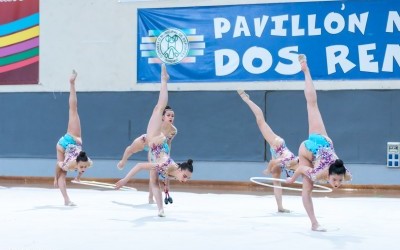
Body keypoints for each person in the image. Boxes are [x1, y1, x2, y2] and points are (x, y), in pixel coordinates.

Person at [115, 64, 193, 217]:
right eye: (185, 176)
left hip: (157, 145)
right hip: (153, 139)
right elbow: (139, 165)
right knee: (158, 108)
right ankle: (164, 80)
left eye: (187, 178)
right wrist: (125, 180)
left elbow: (166, 174)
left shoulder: (173, 169)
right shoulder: (167, 165)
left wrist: (165, 193)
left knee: (154, 182)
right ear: (181, 170)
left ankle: (160, 209)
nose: (185, 180)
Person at [286, 54, 351, 231]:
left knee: (313, 105)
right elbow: (301, 169)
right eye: (336, 180)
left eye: (338, 181)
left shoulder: (344, 172)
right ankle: (305, 70)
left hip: (324, 143)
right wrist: (292, 179)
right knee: (307, 189)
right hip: (308, 148)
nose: (337, 183)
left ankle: (305, 70)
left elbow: (343, 174)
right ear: (328, 175)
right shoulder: (317, 173)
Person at [237, 90, 298, 213]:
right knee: (260, 121)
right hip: (277, 144)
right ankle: (247, 99)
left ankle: (280, 207)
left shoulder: (296, 167)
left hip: (276, 153)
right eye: (294, 170)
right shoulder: (290, 159)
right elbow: (272, 162)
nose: (293, 172)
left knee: (276, 180)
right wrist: (268, 170)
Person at [117, 106, 177, 204]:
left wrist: (167, 156)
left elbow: (168, 143)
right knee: (130, 150)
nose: (171, 117)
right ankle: (123, 161)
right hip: (145, 142)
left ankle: (150, 197)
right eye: (168, 115)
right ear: (162, 117)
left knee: (153, 171)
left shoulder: (173, 130)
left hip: (156, 150)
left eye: (173, 116)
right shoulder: (157, 125)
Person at [54, 70, 93, 206]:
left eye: (83, 168)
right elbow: (58, 166)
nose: (82, 169)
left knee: (62, 172)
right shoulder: (72, 164)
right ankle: (72, 83)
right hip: (69, 140)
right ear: (77, 163)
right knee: (73, 110)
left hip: (65, 148)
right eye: (81, 167)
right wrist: (55, 177)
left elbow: (81, 167)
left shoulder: (86, 163)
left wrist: (77, 177)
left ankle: (66, 200)